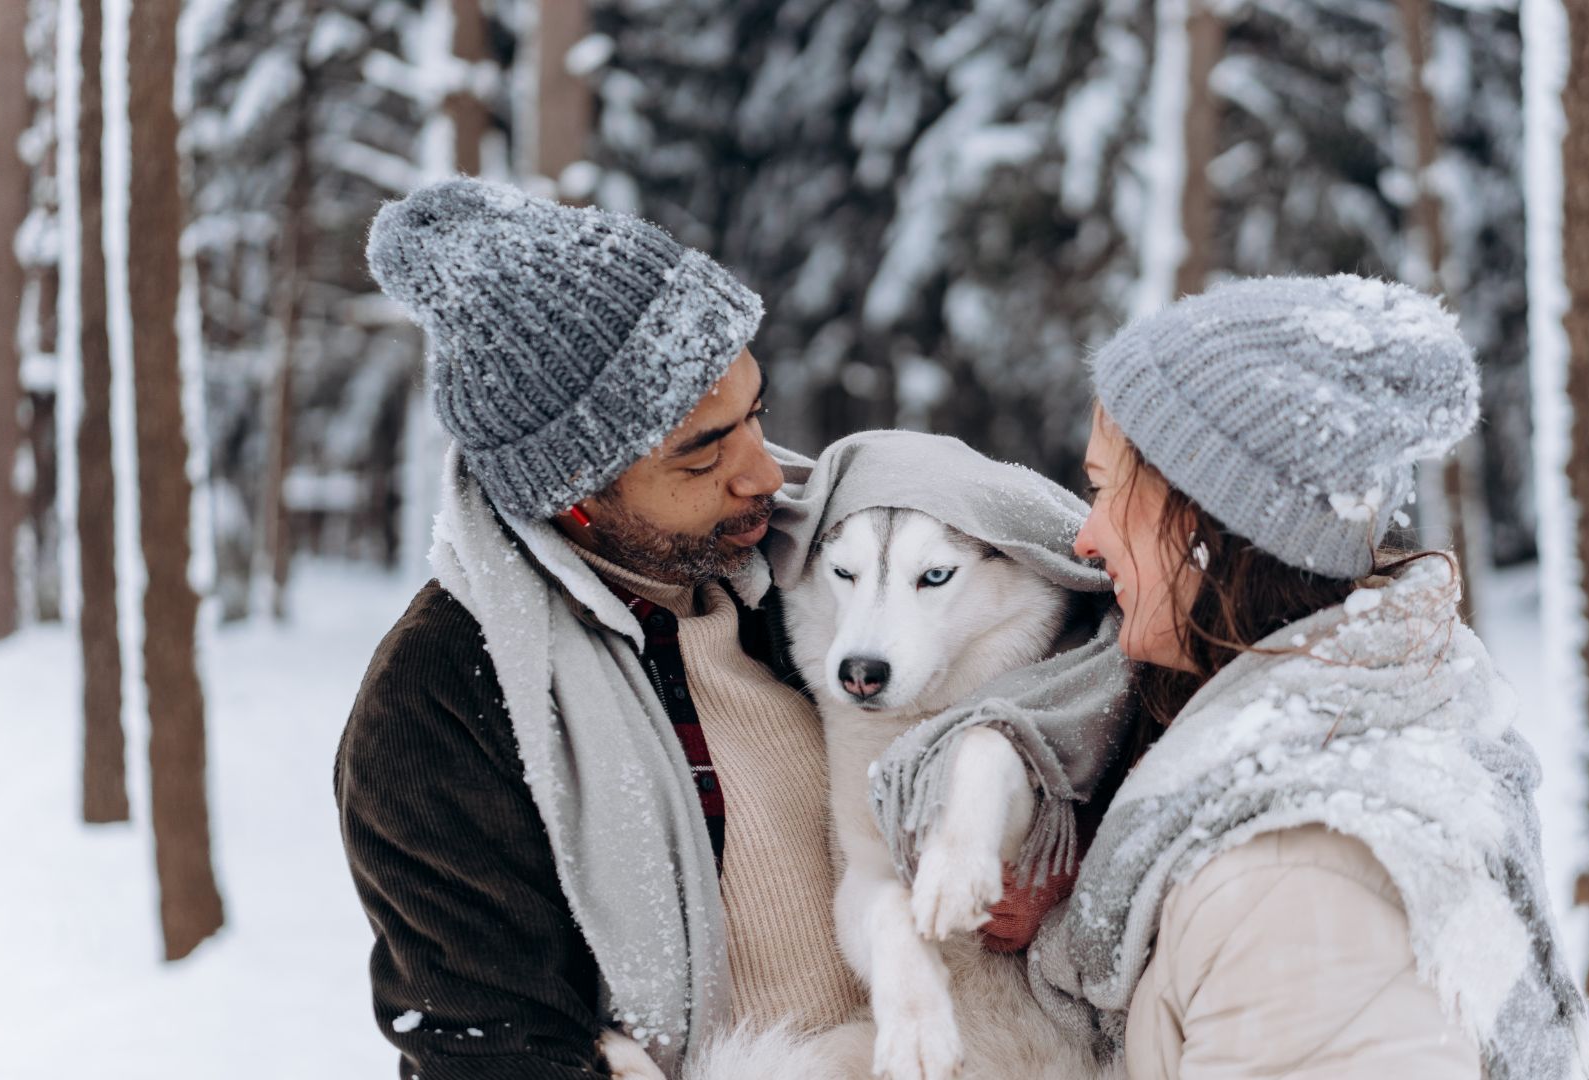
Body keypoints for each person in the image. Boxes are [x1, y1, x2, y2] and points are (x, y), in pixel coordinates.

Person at [336, 179, 1059, 1080]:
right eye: (704, 451)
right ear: (574, 496)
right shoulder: (444, 699)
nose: (765, 474)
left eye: (753, 414)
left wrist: (1045, 874)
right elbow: (490, 1047)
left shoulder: (806, 568)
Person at [1030, 275, 1589, 1078]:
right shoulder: (1358, 736)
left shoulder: (1298, 887)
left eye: (1103, 491)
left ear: (1206, 518)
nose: (1086, 539)